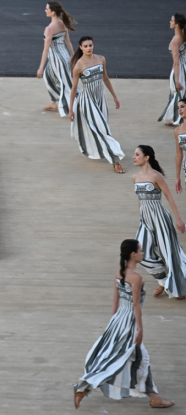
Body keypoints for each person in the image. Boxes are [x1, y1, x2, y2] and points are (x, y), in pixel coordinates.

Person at [74, 240, 174, 409]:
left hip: (119, 319)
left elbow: (115, 300)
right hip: (129, 321)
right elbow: (136, 306)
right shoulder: (137, 277)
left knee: (118, 355)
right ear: (133, 255)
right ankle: (85, 386)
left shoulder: (119, 273)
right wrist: (140, 329)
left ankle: (153, 396)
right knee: (138, 357)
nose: (143, 254)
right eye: (141, 251)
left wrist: (113, 324)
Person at [132, 145, 186, 300]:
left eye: (137, 154)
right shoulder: (135, 177)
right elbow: (139, 200)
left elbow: (169, 197)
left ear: (146, 157)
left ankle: (177, 284)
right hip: (145, 219)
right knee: (141, 253)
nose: (134, 157)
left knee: (169, 253)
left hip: (161, 218)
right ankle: (163, 280)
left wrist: (179, 219)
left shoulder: (156, 176)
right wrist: (141, 217)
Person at [68, 36, 125, 173]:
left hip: (100, 98)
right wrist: (71, 108)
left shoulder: (101, 59)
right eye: (85, 46)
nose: (88, 48)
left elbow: (105, 78)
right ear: (81, 48)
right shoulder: (79, 66)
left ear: (93, 45)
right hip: (87, 101)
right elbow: (74, 88)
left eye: (90, 45)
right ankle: (115, 161)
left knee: (103, 127)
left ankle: (103, 150)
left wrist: (114, 96)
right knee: (102, 129)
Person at [37, 1, 75, 116]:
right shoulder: (63, 23)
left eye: (47, 9)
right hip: (65, 57)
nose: (45, 10)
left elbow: (46, 50)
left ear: (53, 12)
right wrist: (73, 57)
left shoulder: (49, 28)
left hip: (57, 59)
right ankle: (54, 102)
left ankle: (73, 105)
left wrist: (40, 67)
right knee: (48, 75)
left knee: (64, 83)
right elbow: (68, 43)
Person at [158, 14, 186, 126]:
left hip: (180, 70)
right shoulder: (184, 36)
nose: (170, 22)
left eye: (172, 20)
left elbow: (176, 62)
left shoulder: (175, 41)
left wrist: (177, 80)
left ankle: (176, 118)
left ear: (177, 25)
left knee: (177, 93)